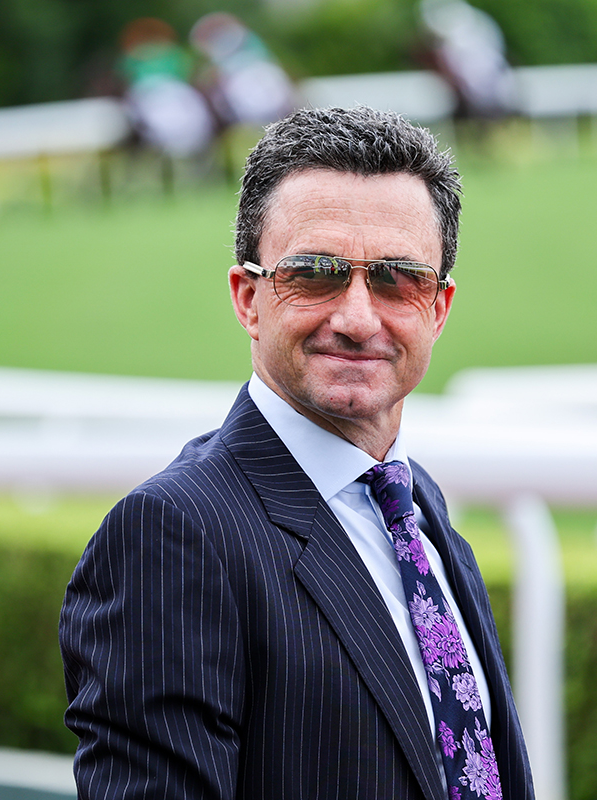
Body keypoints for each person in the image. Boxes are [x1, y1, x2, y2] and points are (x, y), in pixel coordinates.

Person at [60, 106, 535, 800]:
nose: (357, 318)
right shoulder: (172, 535)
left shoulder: (413, 503)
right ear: (248, 298)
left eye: (399, 278)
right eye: (314, 273)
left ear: (438, 308)